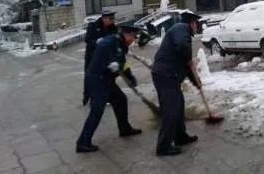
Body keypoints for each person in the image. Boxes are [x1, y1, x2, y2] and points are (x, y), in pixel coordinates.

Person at [76, 25, 143, 153]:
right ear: (127, 35)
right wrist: (108, 62)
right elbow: (100, 50)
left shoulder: (121, 44)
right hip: (97, 79)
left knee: (120, 99)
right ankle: (82, 143)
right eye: (133, 37)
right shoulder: (109, 42)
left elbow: (123, 63)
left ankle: (124, 129)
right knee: (97, 110)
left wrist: (130, 77)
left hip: (107, 80)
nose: (134, 40)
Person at [151, 10, 202, 156]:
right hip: (165, 75)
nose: (197, 27)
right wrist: (189, 58)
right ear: (192, 23)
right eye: (196, 24)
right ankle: (163, 146)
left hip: (169, 75)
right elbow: (182, 48)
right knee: (171, 110)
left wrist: (196, 82)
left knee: (178, 106)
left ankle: (180, 137)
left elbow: (186, 65)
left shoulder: (183, 33)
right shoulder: (181, 28)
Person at [82, 8, 117, 106]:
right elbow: (87, 39)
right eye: (110, 19)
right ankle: (87, 96)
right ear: (104, 18)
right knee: (89, 77)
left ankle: (107, 97)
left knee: (108, 76)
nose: (112, 21)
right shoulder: (93, 26)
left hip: (105, 57)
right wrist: (96, 42)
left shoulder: (113, 28)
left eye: (113, 18)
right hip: (92, 56)